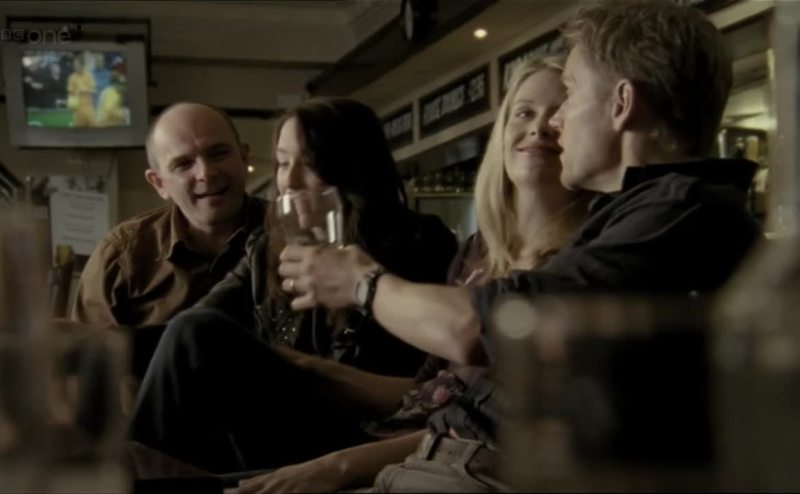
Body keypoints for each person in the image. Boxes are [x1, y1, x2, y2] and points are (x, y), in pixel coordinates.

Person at [277, 0, 762, 490]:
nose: (556, 122)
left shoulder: (686, 210)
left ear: (621, 104)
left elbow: (493, 325)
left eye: (571, 93)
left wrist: (361, 281)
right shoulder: (649, 211)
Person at [230, 54, 592, 494]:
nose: (539, 127)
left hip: (439, 463)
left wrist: (336, 465)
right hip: (401, 447)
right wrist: (301, 367)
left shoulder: (585, 258)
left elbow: (475, 423)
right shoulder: (476, 252)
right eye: (524, 113)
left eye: (557, 114)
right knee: (201, 339)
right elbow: (426, 392)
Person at [129, 97, 458, 472]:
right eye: (284, 164)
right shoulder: (266, 249)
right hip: (281, 432)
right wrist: (95, 344)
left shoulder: (420, 242)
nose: (290, 181)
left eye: (310, 163)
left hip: (368, 436)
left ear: (352, 167)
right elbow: (186, 337)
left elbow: (438, 384)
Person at [71, 102, 265, 329]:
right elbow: (87, 348)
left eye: (218, 154)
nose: (206, 173)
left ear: (244, 157)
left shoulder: (291, 234)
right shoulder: (123, 257)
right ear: (159, 183)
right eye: (184, 164)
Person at [66, 53, 96, 127]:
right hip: (77, 109)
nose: (75, 66)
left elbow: (94, 91)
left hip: (88, 107)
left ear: (82, 65)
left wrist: (85, 90)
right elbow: (70, 93)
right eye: (74, 64)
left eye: (77, 65)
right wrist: (71, 103)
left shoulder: (89, 76)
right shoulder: (72, 78)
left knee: (93, 128)